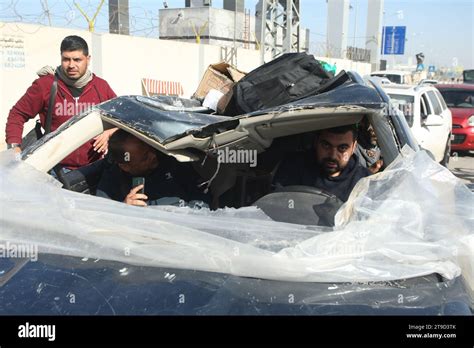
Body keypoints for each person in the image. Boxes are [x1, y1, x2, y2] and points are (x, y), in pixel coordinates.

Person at [5, 35, 117, 169]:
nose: (71, 65)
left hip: (94, 169)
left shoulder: (101, 87)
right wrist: (14, 149)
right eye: (66, 59)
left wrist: (109, 132)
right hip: (54, 169)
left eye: (77, 60)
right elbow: (17, 114)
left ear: (88, 59)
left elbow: (124, 118)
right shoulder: (45, 85)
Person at [96, 130, 208, 207]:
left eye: (150, 149)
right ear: (125, 167)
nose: (153, 156)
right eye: (145, 157)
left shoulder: (174, 164)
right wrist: (124, 208)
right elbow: (101, 218)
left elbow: (203, 201)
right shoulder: (111, 181)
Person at [273, 125, 371, 202]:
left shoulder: (365, 181)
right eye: (326, 145)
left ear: (354, 147)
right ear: (316, 142)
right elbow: (276, 203)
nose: (332, 155)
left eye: (342, 148)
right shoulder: (293, 166)